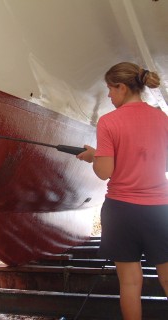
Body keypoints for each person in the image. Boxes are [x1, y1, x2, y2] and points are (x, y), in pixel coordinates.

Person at [77, 62, 168, 320]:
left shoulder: (109, 122)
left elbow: (105, 171)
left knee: (129, 282)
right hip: (160, 209)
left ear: (122, 87)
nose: (108, 95)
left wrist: (95, 157)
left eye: (110, 89)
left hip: (122, 211)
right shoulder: (163, 118)